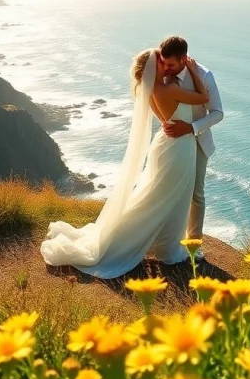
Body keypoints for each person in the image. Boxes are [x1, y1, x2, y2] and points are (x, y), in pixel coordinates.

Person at [39, 42, 215, 278]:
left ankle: (160, 242)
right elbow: (204, 97)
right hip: (179, 147)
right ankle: (167, 248)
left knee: (157, 196)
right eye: (162, 63)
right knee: (170, 198)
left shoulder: (152, 91)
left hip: (165, 143)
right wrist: (192, 69)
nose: (166, 67)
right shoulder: (170, 89)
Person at [155, 35, 224, 242]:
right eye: (164, 63)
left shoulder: (204, 75)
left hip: (198, 141)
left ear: (184, 59)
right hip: (172, 141)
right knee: (167, 188)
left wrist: (191, 128)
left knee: (196, 193)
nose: (166, 69)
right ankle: (167, 238)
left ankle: (194, 242)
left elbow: (217, 113)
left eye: (171, 64)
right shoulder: (162, 72)